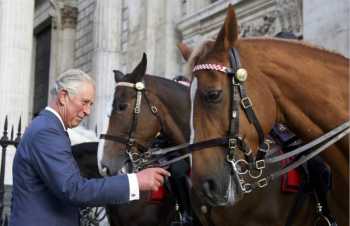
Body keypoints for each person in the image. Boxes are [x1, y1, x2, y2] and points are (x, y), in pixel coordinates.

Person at [9, 69, 170, 226]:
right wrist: (135, 181)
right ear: (63, 97)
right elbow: (73, 189)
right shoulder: (47, 131)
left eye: (91, 104)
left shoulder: (49, 127)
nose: (87, 111)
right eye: (84, 102)